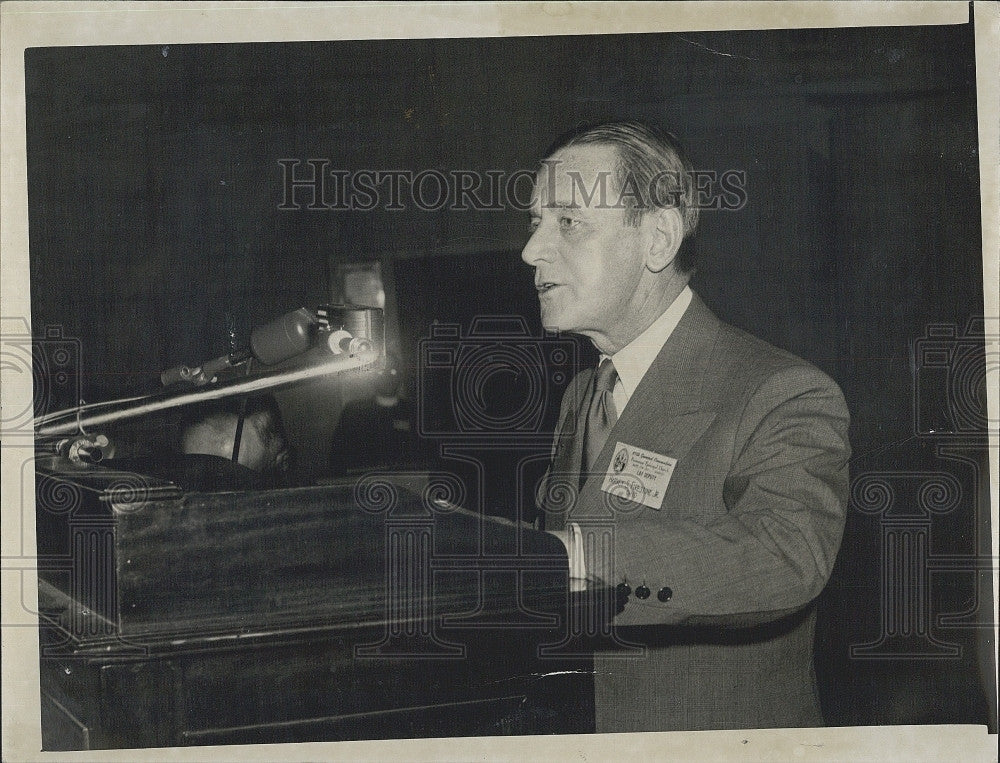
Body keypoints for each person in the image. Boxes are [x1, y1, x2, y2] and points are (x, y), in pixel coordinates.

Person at [523, 121, 851, 732]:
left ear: (659, 239)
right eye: (535, 223)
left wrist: (573, 559)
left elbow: (786, 558)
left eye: (567, 222)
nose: (531, 251)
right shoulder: (583, 395)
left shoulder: (778, 392)